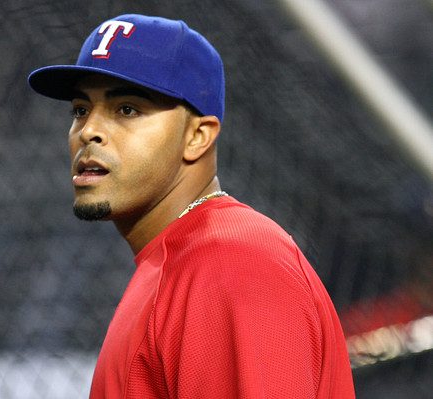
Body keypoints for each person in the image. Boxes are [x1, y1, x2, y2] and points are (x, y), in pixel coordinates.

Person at [28, 14, 355, 398]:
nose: (88, 131)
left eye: (127, 109)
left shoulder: (229, 264)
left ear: (198, 137)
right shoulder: (186, 258)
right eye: (81, 109)